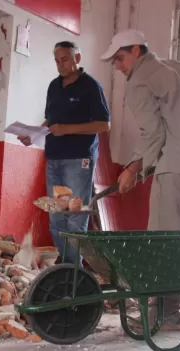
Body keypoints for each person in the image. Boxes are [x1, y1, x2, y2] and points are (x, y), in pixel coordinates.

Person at [100, 30, 180, 330]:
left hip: (179, 168)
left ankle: (166, 312)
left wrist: (133, 169)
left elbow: (153, 134)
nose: (118, 66)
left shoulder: (140, 82)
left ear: (136, 50)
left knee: (164, 238)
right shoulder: (179, 68)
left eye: (120, 58)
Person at [19, 41, 111, 265]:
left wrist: (66, 130)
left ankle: (73, 272)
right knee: (56, 216)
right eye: (57, 61)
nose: (60, 65)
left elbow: (103, 125)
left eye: (65, 59)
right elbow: (51, 121)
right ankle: (67, 267)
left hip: (78, 160)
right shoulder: (53, 86)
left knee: (74, 216)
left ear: (77, 59)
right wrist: (35, 134)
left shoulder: (91, 86)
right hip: (54, 158)